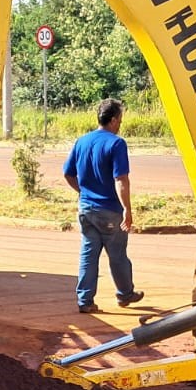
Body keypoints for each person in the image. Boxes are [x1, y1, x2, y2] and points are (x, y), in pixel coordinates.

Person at [62, 98, 143, 312]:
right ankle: (125, 294)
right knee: (117, 254)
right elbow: (121, 180)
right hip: (110, 211)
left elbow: (68, 173)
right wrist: (127, 208)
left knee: (88, 254)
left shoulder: (82, 141)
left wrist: (82, 191)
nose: (121, 124)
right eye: (121, 120)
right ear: (114, 120)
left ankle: (85, 301)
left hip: (86, 209)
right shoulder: (116, 143)